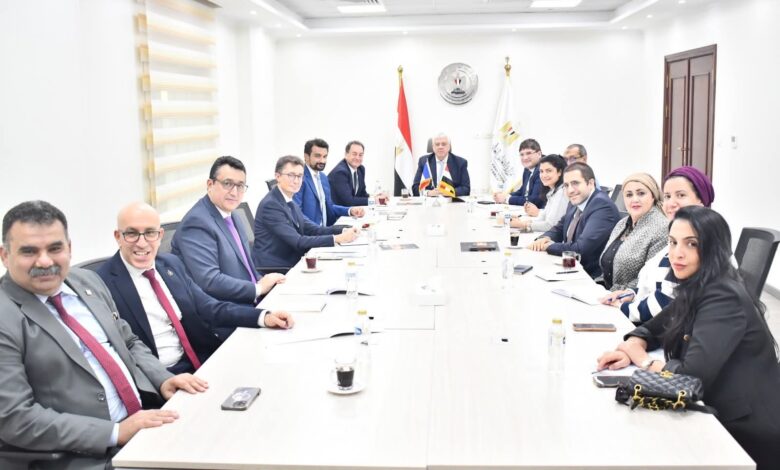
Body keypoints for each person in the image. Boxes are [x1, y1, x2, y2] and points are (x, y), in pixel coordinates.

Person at [0, 201, 207, 469]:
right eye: (29, 251)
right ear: (5, 255)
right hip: (84, 456)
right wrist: (115, 432)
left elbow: (128, 341)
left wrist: (163, 378)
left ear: (69, 248)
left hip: (144, 422)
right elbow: (15, 418)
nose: (45, 261)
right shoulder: (6, 316)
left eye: (55, 248)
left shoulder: (88, 281)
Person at [597, 206, 780, 469]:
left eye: (691, 244)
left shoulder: (723, 295)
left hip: (743, 432)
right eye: (673, 242)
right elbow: (653, 327)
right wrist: (633, 345)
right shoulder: (697, 285)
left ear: (714, 249)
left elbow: (689, 378)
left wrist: (644, 362)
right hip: (713, 407)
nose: (677, 253)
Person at [97, 202, 294, 374]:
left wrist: (263, 317)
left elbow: (210, 308)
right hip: (159, 378)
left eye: (150, 233)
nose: (142, 243)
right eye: (131, 234)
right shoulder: (102, 283)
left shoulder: (170, 265)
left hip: (200, 361)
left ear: (160, 236)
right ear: (118, 236)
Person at [602, 166, 714, 323]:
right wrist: (630, 294)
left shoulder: (702, 239)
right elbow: (654, 286)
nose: (671, 203)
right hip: (655, 320)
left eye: (681, 195)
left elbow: (665, 301)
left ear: (701, 200)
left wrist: (622, 308)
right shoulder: (680, 235)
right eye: (667, 196)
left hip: (678, 329)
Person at [171, 156, 284, 305]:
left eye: (240, 185)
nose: (234, 192)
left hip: (253, 300)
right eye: (227, 184)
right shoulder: (197, 223)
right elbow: (210, 281)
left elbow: (247, 268)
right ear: (210, 184)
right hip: (227, 309)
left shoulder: (233, 215)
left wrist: (265, 282)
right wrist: (258, 288)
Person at [254, 156, 360, 270]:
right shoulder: (271, 205)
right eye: (291, 175)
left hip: (293, 260)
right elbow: (298, 241)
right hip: (277, 267)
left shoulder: (289, 200)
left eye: (300, 176)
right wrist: (337, 238)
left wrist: (346, 229)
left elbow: (314, 230)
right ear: (278, 176)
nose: (296, 181)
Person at [528, 163, 620, 278]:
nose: (570, 190)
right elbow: (559, 228)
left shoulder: (602, 206)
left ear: (591, 183)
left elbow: (580, 249)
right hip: (570, 266)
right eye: (566, 185)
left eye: (575, 183)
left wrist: (548, 246)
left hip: (589, 276)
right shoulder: (576, 200)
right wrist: (544, 238)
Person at [597, 173, 668, 291]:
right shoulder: (621, 224)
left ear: (653, 196)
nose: (635, 199)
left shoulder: (662, 228)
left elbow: (650, 278)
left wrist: (616, 293)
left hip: (632, 298)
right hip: (607, 293)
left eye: (641, 193)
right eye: (629, 195)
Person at [295, 138, 365, 226]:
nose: (322, 161)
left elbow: (329, 206)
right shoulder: (298, 178)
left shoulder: (323, 177)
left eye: (325, 156)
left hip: (327, 229)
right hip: (312, 231)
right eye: (317, 156)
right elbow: (297, 214)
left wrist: (350, 210)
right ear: (306, 157)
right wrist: (321, 232)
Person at [510, 154, 568, 232]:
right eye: (541, 171)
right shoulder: (553, 191)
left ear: (559, 172)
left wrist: (521, 224)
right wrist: (521, 221)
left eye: (549, 171)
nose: (544, 175)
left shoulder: (561, 193)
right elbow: (543, 218)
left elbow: (550, 226)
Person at [328, 140, 387, 207]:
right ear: (346, 155)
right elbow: (349, 201)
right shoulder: (340, 173)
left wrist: (377, 197)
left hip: (352, 211)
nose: (357, 158)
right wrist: (374, 201)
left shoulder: (360, 169)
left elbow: (362, 194)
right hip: (338, 212)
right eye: (354, 154)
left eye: (360, 155)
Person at [411, 133, 471, 197]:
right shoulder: (424, 161)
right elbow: (415, 188)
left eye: (443, 144)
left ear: (449, 147)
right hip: (430, 201)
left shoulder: (460, 162)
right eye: (437, 144)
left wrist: (450, 192)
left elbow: (466, 189)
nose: (440, 147)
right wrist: (428, 193)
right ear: (433, 147)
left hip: (450, 201)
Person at [493, 138, 546, 209]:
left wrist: (506, 199)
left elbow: (534, 200)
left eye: (529, 153)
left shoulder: (543, 170)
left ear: (539, 154)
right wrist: (505, 196)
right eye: (522, 154)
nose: (525, 157)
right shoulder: (527, 168)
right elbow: (522, 191)